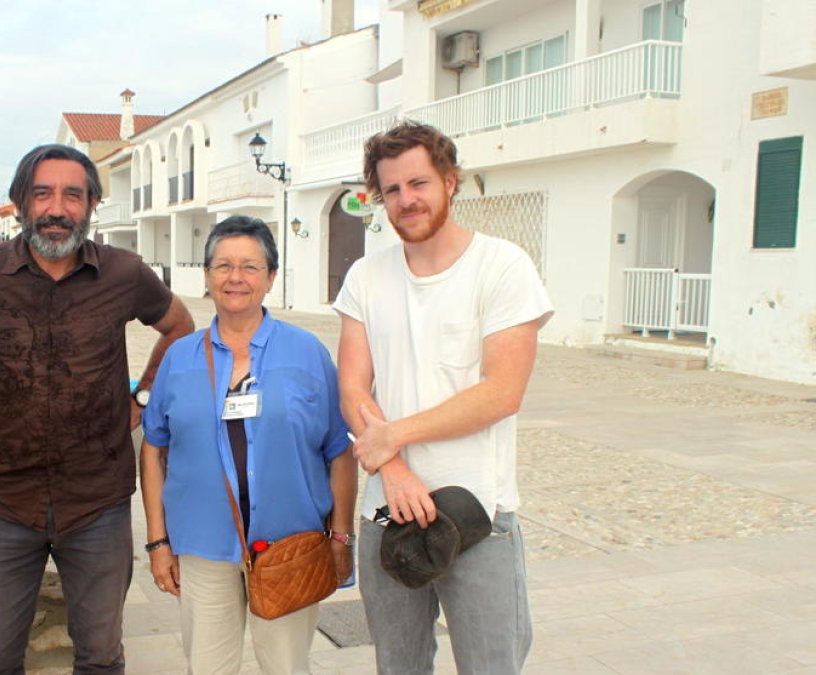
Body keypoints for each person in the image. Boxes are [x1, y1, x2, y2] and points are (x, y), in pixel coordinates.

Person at [0, 144, 194, 674]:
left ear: (92, 204)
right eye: (42, 193)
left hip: (98, 501)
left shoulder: (125, 274)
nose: (57, 208)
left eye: (72, 195)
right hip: (3, 500)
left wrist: (144, 397)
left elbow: (179, 327)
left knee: (103, 657)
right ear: (20, 202)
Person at [334, 122, 553, 674]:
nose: (406, 200)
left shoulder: (502, 266)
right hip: (387, 511)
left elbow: (502, 393)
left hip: (478, 510)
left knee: (490, 666)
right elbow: (353, 387)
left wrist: (392, 438)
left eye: (419, 183)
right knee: (399, 667)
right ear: (379, 198)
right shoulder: (366, 276)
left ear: (450, 182)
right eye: (391, 190)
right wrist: (396, 470)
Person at [140, 216, 357, 674]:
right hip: (202, 546)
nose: (235, 277)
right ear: (206, 276)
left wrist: (340, 535)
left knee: (286, 667)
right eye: (223, 266)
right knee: (208, 668)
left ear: (270, 278)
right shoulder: (179, 358)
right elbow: (154, 448)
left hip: (290, 546)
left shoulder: (308, 352)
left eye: (250, 267)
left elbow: (339, 449)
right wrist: (158, 541)